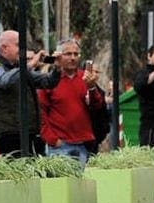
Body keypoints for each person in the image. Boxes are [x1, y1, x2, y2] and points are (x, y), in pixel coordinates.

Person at [0, 30, 61, 156]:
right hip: (10, 135)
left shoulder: (19, 69)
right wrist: (30, 64)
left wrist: (57, 68)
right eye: (18, 46)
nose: (22, 50)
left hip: (31, 134)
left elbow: (47, 82)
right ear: (4, 48)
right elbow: (5, 81)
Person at [37, 39, 105, 167]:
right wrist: (52, 139)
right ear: (59, 56)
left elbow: (97, 106)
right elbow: (41, 111)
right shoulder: (49, 81)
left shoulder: (85, 77)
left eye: (76, 54)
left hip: (84, 144)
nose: (72, 58)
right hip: (59, 145)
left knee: (83, 185)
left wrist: (92, 87)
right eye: (68, 54)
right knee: (61, 185)